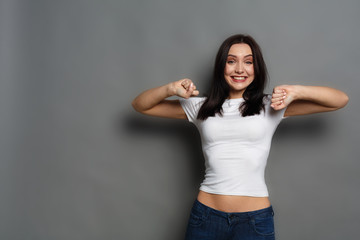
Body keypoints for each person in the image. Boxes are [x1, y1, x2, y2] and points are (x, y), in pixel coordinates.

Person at [131, 34, 349, 240]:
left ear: (256, 68)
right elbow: (140, 105)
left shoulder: (271, 105)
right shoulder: (200, 107)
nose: (239, 69)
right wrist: (170, 88)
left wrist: (296, 91)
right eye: (231, 61)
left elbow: (339, 100)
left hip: (254, 220)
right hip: (206, 217)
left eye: (248, 62)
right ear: (221, 67)